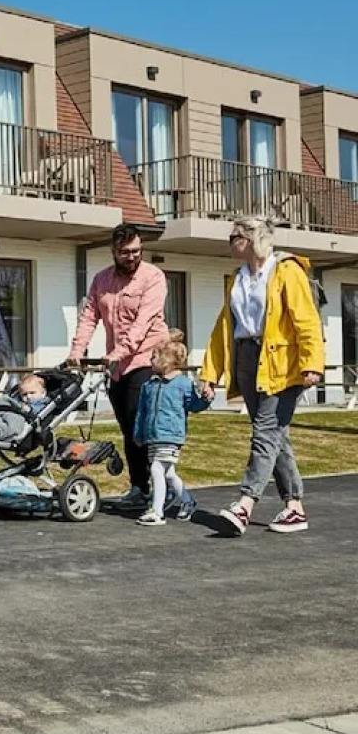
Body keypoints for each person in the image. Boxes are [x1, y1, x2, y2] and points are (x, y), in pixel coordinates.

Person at [198, 216, 325, 536]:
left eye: (234, 237)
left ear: (253, 238)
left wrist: (312, 363)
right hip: (246, 358)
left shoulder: (286, 270)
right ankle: (294, 506)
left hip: (281, 361)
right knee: (274, 433)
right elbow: (223, 327)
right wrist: (210, 373)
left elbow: (306, 319)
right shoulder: (237, 277)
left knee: (265, 432)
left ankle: (245, 503)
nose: (230, 242)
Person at [66, 223, 170, 506]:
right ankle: (139, 487)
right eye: (126, 252)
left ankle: (162, 484)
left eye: (137, 251)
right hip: (117, 365)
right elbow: (89, 317)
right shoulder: (101, 280)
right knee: (127, 427)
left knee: (142, 424)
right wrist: (77, 350)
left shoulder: (153, 277)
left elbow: (143, 323)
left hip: (148, 358)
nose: (132, 257)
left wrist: (120, 351)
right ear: (114, 251)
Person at [132, 332, 209, 526]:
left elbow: (194, 405)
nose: (150, 360)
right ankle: (187, 500)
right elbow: (142, 412)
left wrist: (206, 398)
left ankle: (157, 511)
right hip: (153, 436)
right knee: (168, 473)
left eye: (154, 356)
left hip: (171, 436)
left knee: (157, 469)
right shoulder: (148, 386)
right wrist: (139, 434)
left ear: (166, 360)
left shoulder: (183, 384)